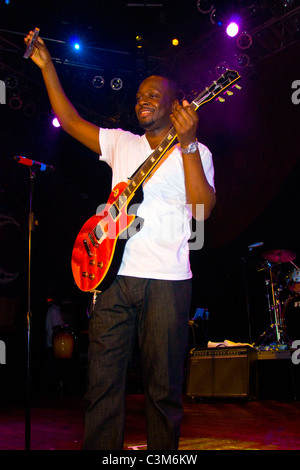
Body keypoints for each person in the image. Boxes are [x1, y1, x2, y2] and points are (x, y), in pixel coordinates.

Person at [24, 30, 216, 450]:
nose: (142, 99)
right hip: (112, 279)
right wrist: (48, 67)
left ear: (177, 106)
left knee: (163, 392)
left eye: (153, 94)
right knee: (102, 387)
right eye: (139, 95)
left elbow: (202, 211)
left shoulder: (197, 151)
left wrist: (186, 145)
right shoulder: (120, 142)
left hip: (167, 281)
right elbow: (71, 121)